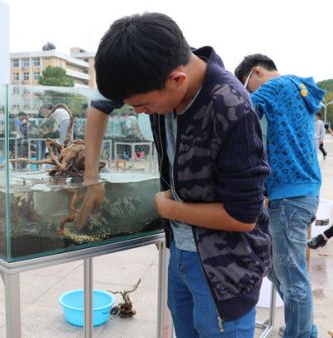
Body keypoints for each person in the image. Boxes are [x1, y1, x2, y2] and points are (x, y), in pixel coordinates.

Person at [82, 13, 271, 337]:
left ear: (177, 80)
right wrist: (90, 179)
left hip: (224, 271)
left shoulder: (232, 108)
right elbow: (99, 105)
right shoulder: (156, 65)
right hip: (181, 255)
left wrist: (170, 209)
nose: (139, 112)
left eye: (142, 104)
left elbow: (243, 216)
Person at [235, 53, 325, 338]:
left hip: (290, 197)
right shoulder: (299, 89)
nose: (250, 92)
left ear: (257, 72)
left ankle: (301, 334)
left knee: (291, 274)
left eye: (247, 86)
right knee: (275, 268)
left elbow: (236, 111)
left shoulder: (273, 87)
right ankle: (304, 328)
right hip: (303, 191)